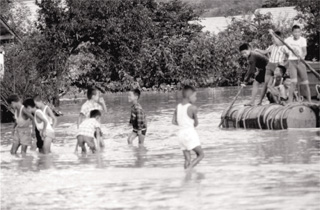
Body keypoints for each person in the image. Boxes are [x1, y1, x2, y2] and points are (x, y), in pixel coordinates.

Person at [172, 85, 204, 170]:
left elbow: (174, 122)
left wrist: (183, 124)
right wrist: (189, 125)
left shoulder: (177, 107)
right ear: (189, 97)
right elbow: (196, 124)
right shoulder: (193, 108)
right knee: (201, 155)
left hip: (180, 134)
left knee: (187, 159)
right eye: (195, 96)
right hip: (189, 133)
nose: (196, 98)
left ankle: (186, 178)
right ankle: (189, 170)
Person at [255, 30, 290, 104]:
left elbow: (289, 57)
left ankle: (282, 99)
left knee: (279, 83)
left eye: (274, 38)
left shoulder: (283, 47)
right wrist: (257, 50)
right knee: (266, 84)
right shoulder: (272, 46)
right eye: (272, 39)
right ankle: (260, 101)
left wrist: (284, 64)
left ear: (279, 38)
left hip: (277, 66)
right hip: (270, 65)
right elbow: (265, 52)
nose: (273, 40)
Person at [285, 25, 311, 103]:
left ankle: (310, 102)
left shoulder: (303, 40)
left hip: (300, 62)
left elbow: (304, 51)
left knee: (305, 83)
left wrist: (302, 57)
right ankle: (289, 102)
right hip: (292, 62)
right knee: (293, 82)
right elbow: (283, 47)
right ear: (292, 32)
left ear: (300, 32)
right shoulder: (288, 40)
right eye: (295, 32)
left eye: (298, 32)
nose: (297, 34)